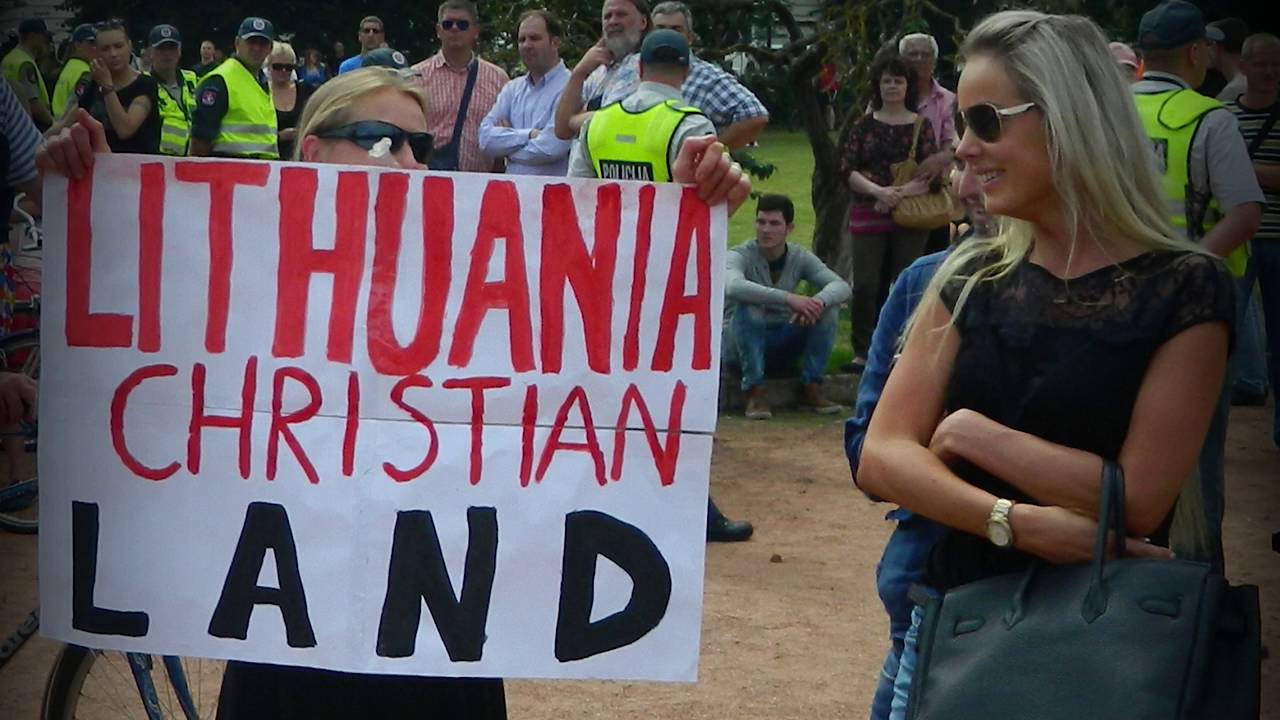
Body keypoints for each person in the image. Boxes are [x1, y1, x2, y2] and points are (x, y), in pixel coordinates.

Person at [41, 48, 750, 710]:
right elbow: (135, 342)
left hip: (440, 653)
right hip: (284, 658)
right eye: (384, 138)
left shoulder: (478, 278)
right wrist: (98, 192)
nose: (411, 161)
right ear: (313, 151)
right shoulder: (238, 281)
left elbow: (607, 330)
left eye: (424, 147)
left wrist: (685, 212)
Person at [857, 11, 1234, 719]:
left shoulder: (1185, 287)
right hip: (950, 635)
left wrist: (971, 434)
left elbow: (1139, 498)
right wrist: (1016, 521)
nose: (963, 148)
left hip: (1107, 653)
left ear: (1066, 118)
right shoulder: (968, 274)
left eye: (985, 121)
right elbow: (880, 458)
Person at [567, 28, 753, 543]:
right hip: (667, 281)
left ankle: (602, 494)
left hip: (604, 273)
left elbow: (574, 199)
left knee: (604, 391)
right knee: (672, 399)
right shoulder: (690, 123)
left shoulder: (599, 123)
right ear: (686, 72)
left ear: (641, 69)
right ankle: (690, 503)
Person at [848, 159, 990, 720]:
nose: (967, 182)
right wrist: (942, 442)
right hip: (924, 571)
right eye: (960, 161)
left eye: (989, 157)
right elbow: (867, 452)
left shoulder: (1128, 293)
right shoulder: (921, 283)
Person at [1133, 0, 1264, 572]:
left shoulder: (1106, 115)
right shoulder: (1211, 118)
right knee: (1198, 448)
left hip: (1111, 294)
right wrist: (1186, 267)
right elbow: (1243, 214)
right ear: (1195, 53)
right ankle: (1199, 590)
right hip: (1199, 304)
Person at [839, 53, 937, 374]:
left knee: (906, 282)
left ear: (907, 86)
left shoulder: (922, 127)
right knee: (866, 284)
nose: (892, 86)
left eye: (898, 80)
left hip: (910, 212)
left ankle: (904, 346)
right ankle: (863, 350)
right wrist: (878, 193)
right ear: (877, 86)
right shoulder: (862, 126)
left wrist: (895, 196)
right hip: (868, 209)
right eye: (886, 80)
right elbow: (848, 168)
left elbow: (930, 174)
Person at [724, 193, 850, 419]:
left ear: (789, 228)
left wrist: (817, 303)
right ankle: (754, 391)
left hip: (781, 337)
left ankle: (811, 386)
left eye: (774, 223)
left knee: (827, 310)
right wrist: (789, 299)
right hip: (739, 345)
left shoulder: (799, 257)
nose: (765, 230)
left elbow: (840, 286)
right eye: (761, 222)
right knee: (749, 306)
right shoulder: (739, 254)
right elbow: (734, 287)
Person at [1225, 32, 1280, 444]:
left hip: (1276, 241)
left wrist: (1242, 168)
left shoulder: (1221, 124)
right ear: (1244, 67)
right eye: (1261, 63)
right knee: (1224, 338)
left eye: (1276, 64)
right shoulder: (1223, 115)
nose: (1269, 72)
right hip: (1236, 242)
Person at [650, 1, 769, 149]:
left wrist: (712, 153)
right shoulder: (632, 70)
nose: (667, 36)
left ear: (690, 38)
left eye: (676, 29)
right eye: (660, 29)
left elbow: (755, 115)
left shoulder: (708, 79)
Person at [408, 1, 508, 172]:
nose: (454, 28)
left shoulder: (498, 78)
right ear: (438, 31)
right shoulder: (416, 76)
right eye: (448, 24)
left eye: (462, 24)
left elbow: (503, 137)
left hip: (480, 184)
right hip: (427, 180)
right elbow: (406, 132)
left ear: (475, 31)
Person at [478, 10, 572, 176]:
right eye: (522, 39)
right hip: (512, 195)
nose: (527, 45)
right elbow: (485, 139)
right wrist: (528, 135)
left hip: (553, 195)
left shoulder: (572, 87)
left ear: (555, 42)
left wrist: (507, 150)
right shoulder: (512, 89)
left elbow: (551, 148)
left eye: (535, 38)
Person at [46, 19, 161, 155]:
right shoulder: (95, 84)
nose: (113, 54)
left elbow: (125, 129)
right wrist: (37, 141)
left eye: (118, 46)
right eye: (105, 49)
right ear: (97, 52)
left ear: (129, 46)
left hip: (137, 168)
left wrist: (107, 86)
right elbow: (66, 122)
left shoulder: (145, 84)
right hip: (101, 167)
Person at [553, 0, 650, 141]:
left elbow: (608, 121)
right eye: (607, 16)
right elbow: (561, 130)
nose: (613, 21)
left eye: (621, 14)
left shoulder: (641, 64)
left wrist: (573, 119)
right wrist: (579, 73)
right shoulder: (599, 70)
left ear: (643, 22)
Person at [190, 17, 278, 159]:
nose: (256, 48)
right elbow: (200, 140)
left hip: (261, 172)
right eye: (251, 42)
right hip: (228, 171)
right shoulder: (219, 80)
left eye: (263, 43)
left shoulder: (261, 81)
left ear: (270, 48)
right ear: (237, 43)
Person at [147, 24, 198, 157]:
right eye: (161, 49)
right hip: (161, 160)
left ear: (180, 50)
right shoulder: (144, 84)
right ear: (150, 52)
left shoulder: (193, 79)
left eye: (172, 48)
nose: (167, 54)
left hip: (196, 157)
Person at [1, 18, 54, 131]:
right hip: (29, 126)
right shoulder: (25, 63)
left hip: (9, 123)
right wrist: (54, 124)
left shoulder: (8, 58)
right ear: (32, 36)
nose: (45, 41)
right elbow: (33, 103)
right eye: (43, 36)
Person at [269, 42, 314, 160]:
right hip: (271, 157)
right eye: (278, 67)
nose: (283, 71)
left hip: (301, 157)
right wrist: (279, 137)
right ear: (268, 66)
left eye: (289, 68)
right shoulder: (260, 92)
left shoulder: (307, 91)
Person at [52, 24, 96, 121]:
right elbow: (83, 107)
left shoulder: (69, 66)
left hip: (59, 123)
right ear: (77, 45)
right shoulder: (84, 71)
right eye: (91, 42)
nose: (95, 47)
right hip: (71, 125)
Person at [1201, 17, 1249, 101]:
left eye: (1208, 43)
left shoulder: (1233, 91)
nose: (1204, 49)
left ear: (1215, 46)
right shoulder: (1250, 80)